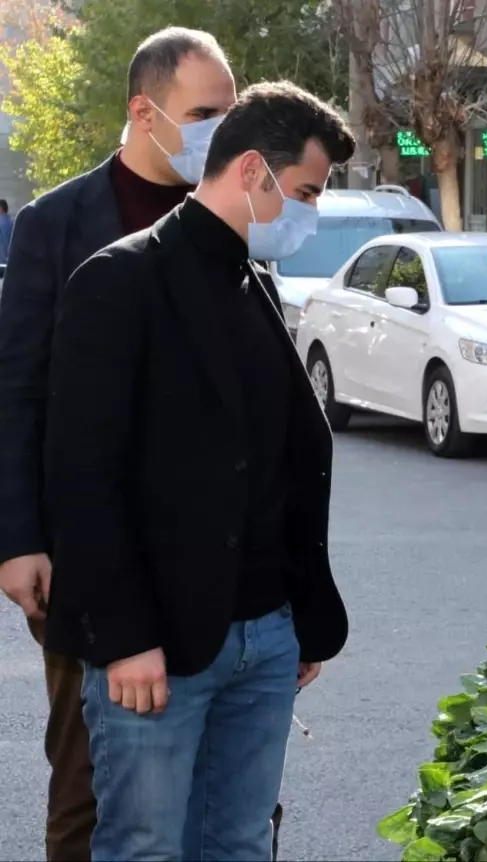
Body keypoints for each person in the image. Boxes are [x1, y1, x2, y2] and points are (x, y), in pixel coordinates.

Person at [42, 79, 354, 861]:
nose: (310, 213)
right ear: (254, 172)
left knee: (241, 844)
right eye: (307, 192)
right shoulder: (119, 282)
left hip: (266, 641)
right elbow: (83, 476)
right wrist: (123, 638)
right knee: (144, 847)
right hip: (159, 648)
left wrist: (297, 617)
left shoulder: (253, 284)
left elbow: (278, 462)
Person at [0, 27, 236, 862]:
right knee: (89, 784)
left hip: (211, 560)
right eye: (205, 112)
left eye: (230, 112)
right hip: (87, 555)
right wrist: (20, 539)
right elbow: (18, 391)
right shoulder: (54, 224)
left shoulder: (229, 220)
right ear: (145, 111)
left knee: (215, 786)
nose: (223, 129)